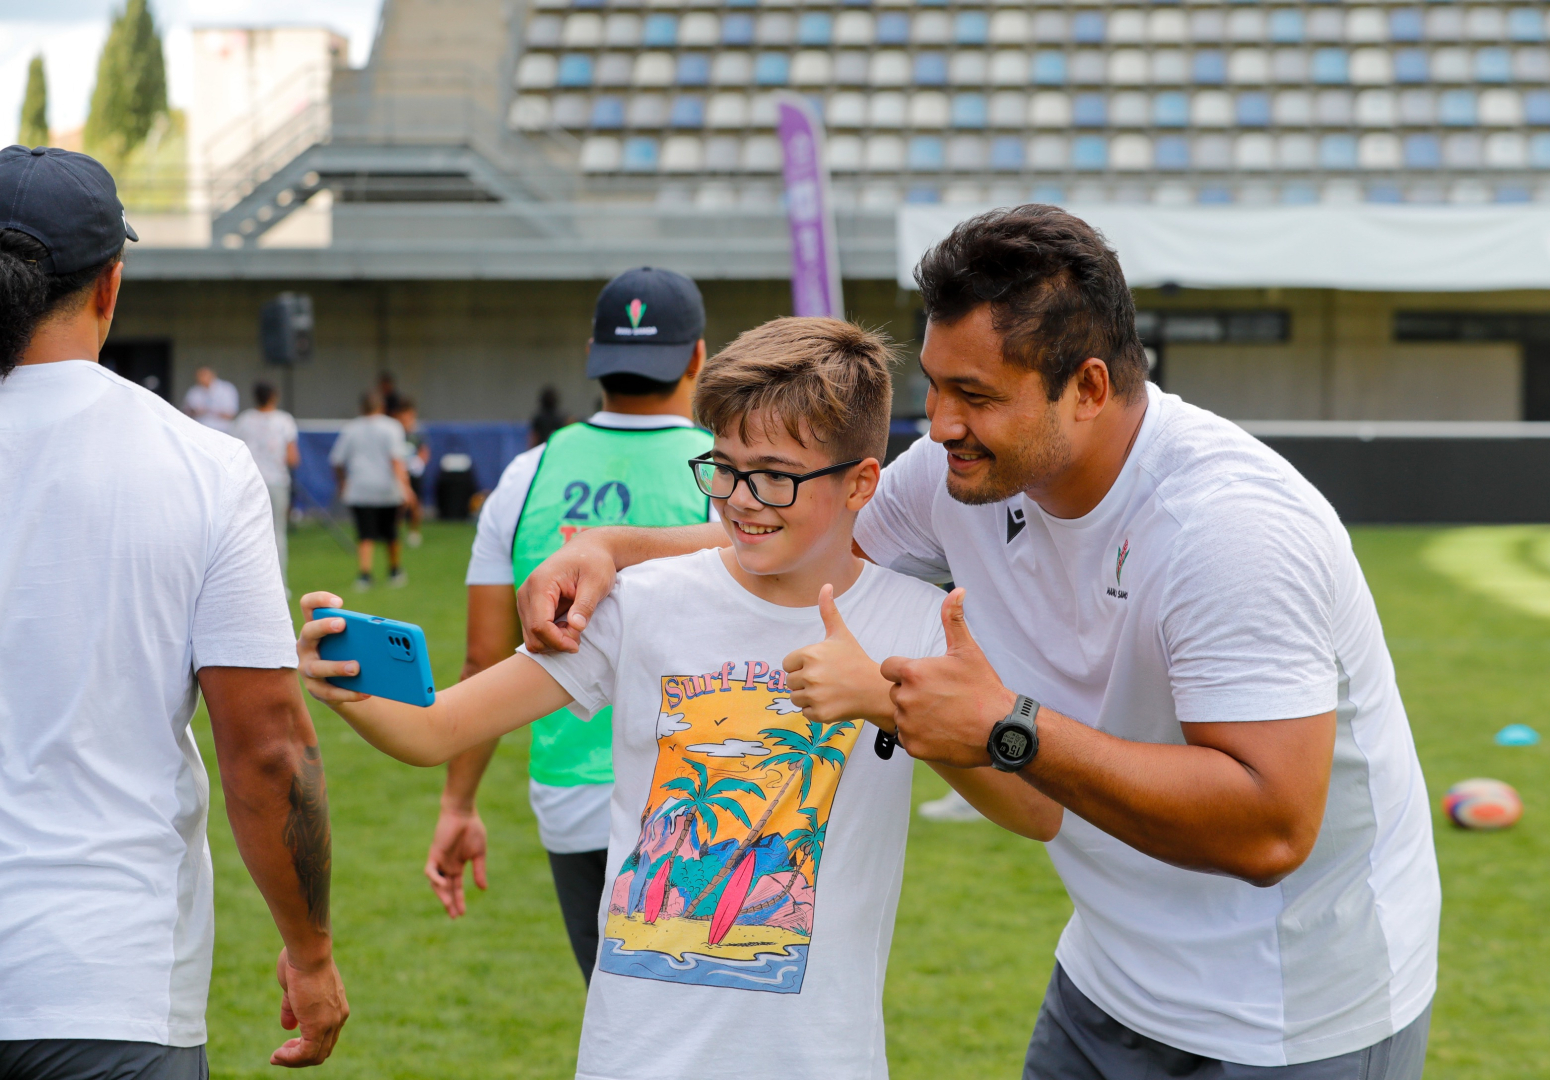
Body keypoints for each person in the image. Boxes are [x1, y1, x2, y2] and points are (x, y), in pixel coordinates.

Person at [514, 206, 1441, 1080]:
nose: (939, 422)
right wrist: (613, 547)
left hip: (1294, 1020)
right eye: (934, 384)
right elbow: (800, 532)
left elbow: (1272, 825)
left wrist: (1007, 729)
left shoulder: (1228, 532)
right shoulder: (967, 473)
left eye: (975, 394)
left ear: (1087, 389)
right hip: (1106, 978)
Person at [299, 316, 1042, 1080]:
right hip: (636, 1056)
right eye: (722, 467)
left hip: (820, 1058)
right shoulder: (641, 601)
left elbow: (1035, 813)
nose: (741, 499)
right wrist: (348, 688)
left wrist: (884, 702)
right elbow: (438, 730)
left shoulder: (918, 624)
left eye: (775, 476)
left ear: (861, 482)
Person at [0, 145, 347, 1077]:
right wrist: (311, 955)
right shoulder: (200, 465)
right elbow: (269, 747)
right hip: (100, 977)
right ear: (111, 284)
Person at [425, 267, 716, 986]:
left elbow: (482, 663)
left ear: (595, 354)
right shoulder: (734, 473)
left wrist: (458, 802)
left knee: (619, 1023)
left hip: (569, 799)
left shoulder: (527, 475)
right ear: (697, 357)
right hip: (698, 799)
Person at [330, 391, 414, 591]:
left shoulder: (351, 429)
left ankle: (365, 574)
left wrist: (342, 482)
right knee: (391, 532)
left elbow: (337, 460)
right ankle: (394, 571)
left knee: (365, 533)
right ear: (382, 407)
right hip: (387, 488)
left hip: (360, 487)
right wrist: (406, 487)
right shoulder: (392, 427)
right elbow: (396, 460)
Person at [232, 380, 301, 588]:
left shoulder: (243, 420)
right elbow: (293, 458)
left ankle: (251, 583)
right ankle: (279, 584)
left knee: (247, 534)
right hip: (276, 482)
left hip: (249, 482)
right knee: (277, 532)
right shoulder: (284, 420)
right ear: (274, 396)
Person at [391, 396, 429, 549]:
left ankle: (414, 531)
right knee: (399, 503)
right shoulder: (394, 433)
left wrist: (419, 462)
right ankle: (395, 531)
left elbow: (424, 451)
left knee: (415, 503)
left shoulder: (417, 433)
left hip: (413, 473)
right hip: (399, 473)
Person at [182, 365, 238, 432]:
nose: (202, 378)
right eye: (199, 375)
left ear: (212, 374)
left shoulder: (226, 389)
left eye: (204, 374)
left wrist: (206, 411)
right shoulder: (194, 391)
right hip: (200, 430)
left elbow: (230, 414)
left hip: (223, 431)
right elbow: (186, 412)